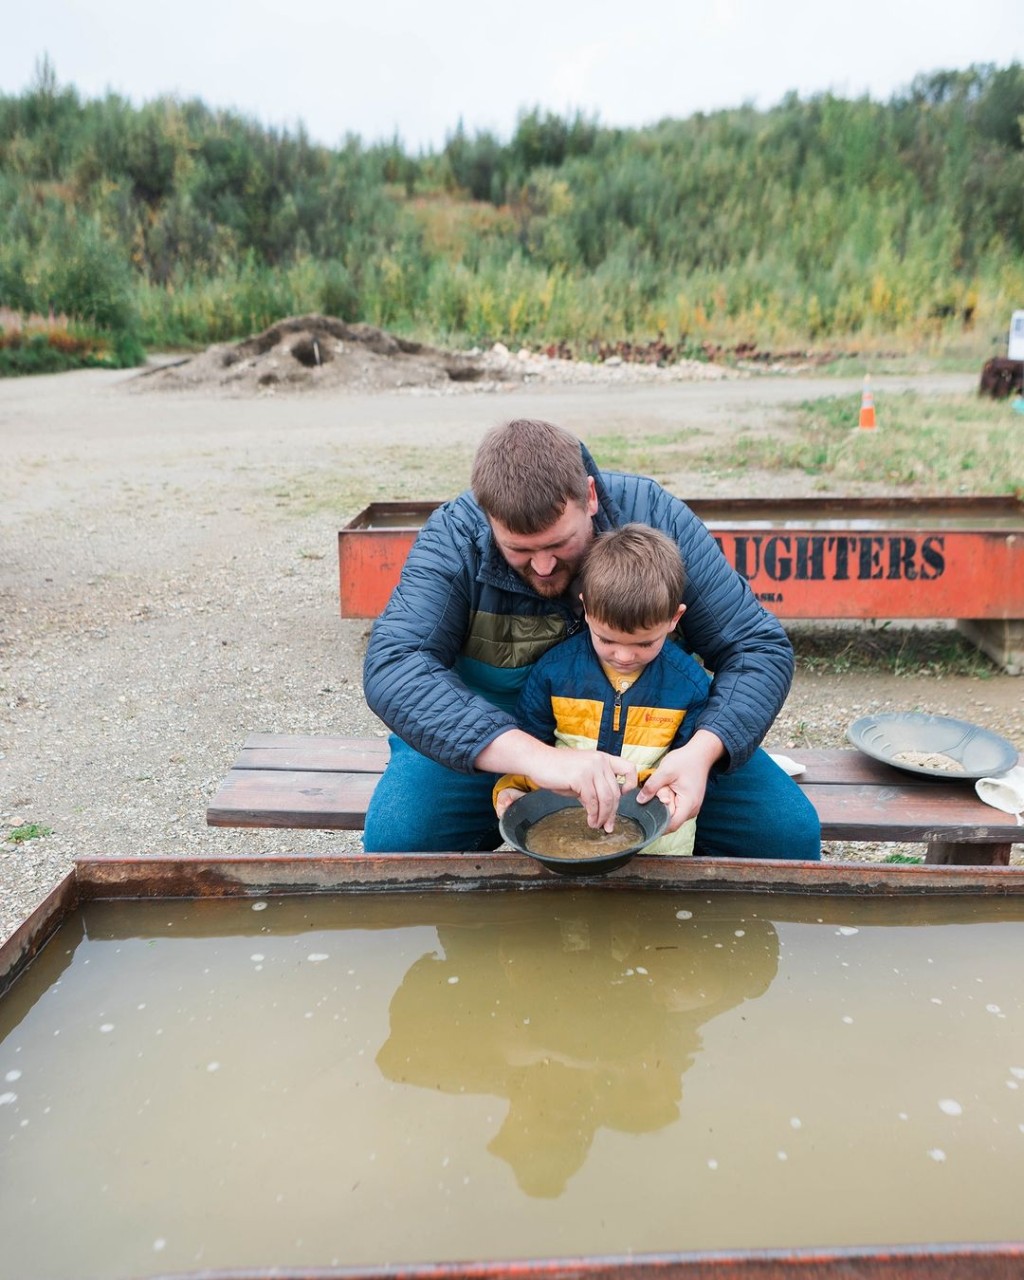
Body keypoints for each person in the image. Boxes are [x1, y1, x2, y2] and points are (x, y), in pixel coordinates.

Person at [362, 417, 820, 860]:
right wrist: (538, 759)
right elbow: (394, 665)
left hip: (658, 738)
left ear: (590, 496)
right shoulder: (454, 536)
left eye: (559, 543)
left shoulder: (657, 517)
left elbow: (756, 646)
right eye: (520, 549)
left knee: (786, 835)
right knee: (398, 840)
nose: (542, 567)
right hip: (497, 738)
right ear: (488, 518)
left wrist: (701, 752)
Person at [492, 524, 710, 855]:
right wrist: (512, 787)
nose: (623, 656)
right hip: (569, 833)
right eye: (606, 639)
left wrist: (666, 790)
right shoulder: (554, 672)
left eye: (644, 643)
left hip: (663, 845)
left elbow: (686, 766)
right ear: (587, 609)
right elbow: (532, 750)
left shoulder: (690, 685)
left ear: (673, 618)